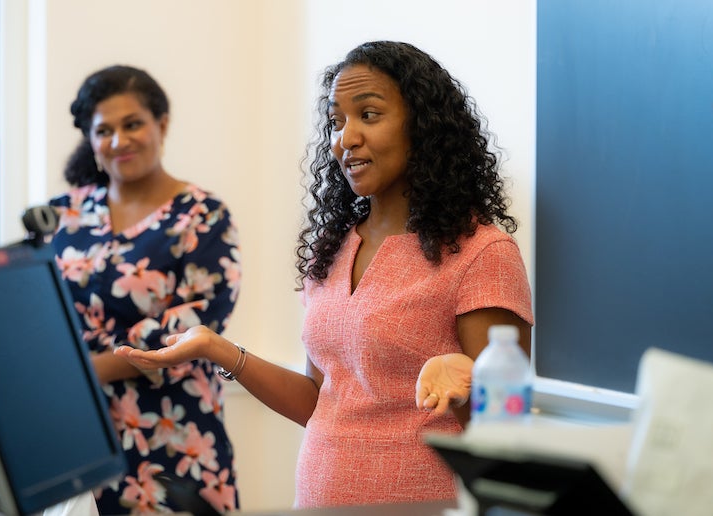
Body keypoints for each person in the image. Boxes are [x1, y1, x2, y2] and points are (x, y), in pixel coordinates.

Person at [116, 41, 534, 508]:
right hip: (319, 499)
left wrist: (462, 385)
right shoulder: (332, 249)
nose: (346, 138)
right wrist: (218, 347)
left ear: (424, 127)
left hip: (425, 503)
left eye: (369, 115)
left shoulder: (482, 252)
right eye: (337, 122)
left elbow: (505, 436)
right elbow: (319, 400)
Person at [49, 65, 241, 515]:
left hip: (172, 433)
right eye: (104, 130)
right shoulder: (65, 214)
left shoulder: (202, 215)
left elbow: (198, 319)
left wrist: (81, 371)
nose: (118, 141)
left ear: (162, 124)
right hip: (74, 435)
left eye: (132, 124)